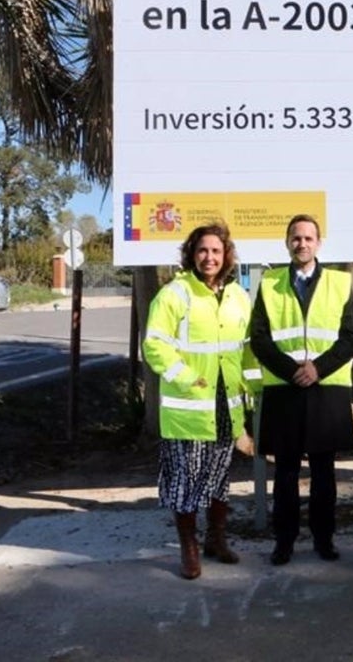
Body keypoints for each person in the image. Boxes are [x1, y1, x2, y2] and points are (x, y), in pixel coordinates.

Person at [141, 223, 251, 580]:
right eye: (203, 250)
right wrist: (186, 377)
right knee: (185, 484)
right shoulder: (175, 294)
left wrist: (259, 388)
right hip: (188, 410)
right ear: (192, 254)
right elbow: (155, 345)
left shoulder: (238, 296)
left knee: (219, 479)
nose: (210, 257)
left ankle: (216, 540)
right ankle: (189, 548)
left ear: (226, 255)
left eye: (216, 251)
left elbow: (245, 352)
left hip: (225, 408)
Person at [250, 214, 353, 565]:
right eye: (296, 238)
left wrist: (318, 369)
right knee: (285, 474)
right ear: (287, 243)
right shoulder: (270, 284)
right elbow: (261, 339)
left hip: (326, 389)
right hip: (285, 389)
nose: (302, 244)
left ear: (319, 243)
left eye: (308, 238)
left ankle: (324, 539)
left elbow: (350, 338)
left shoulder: (341, 284)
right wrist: (292, 370)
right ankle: (284, 541)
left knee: (324, 474)